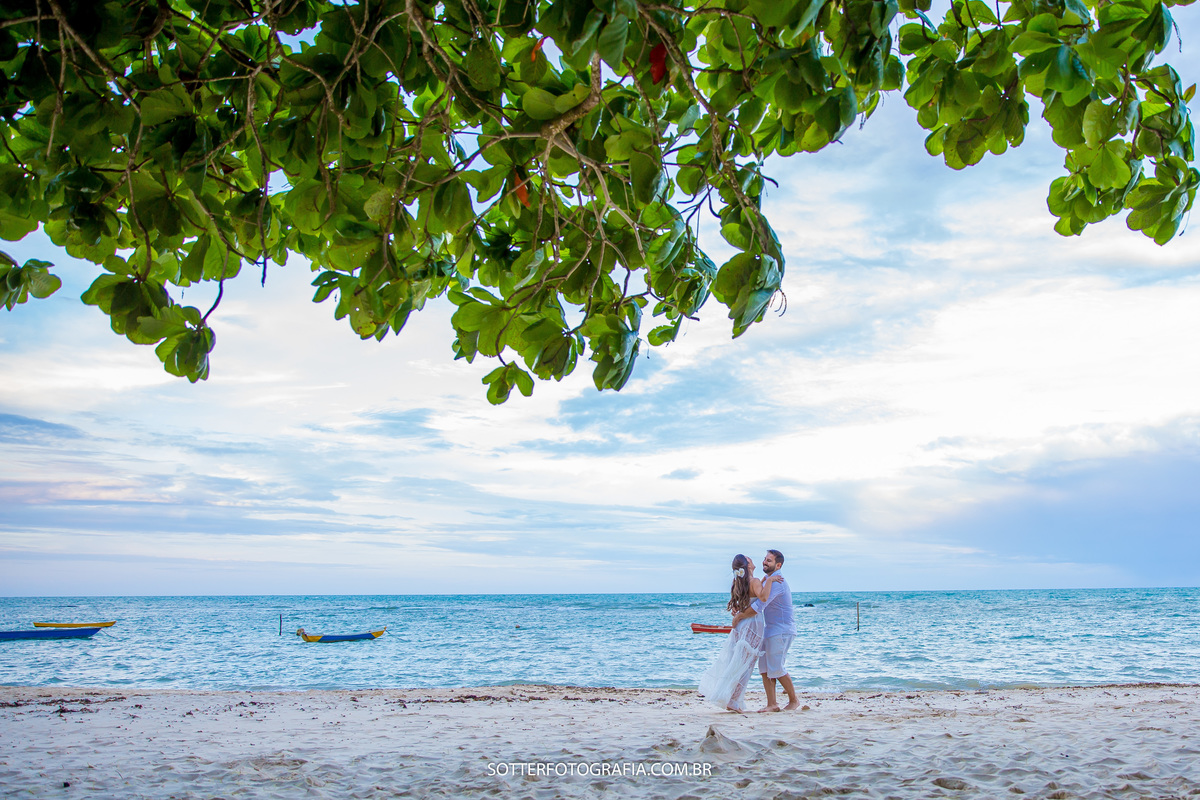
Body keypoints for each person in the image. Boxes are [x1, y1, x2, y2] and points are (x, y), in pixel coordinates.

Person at [698, 554, 780, 712]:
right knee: (746, 664)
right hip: (753, 624)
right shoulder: (754, 582)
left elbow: (747, 599)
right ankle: (734, 700)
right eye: (749, 559)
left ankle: (732, 698)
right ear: (747, 566)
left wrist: (763, 581)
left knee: (738, 660)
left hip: (741, 625)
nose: (753, 560)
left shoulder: (739, 583)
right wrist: (769, 580)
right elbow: (762, 597)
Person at [731, 549, 799, 712]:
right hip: (770, 629)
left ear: (778, 565)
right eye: (764, 559)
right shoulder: (768, 579)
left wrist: (739, 616)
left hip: (781, 630)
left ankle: (794, 700)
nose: (764, 562)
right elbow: (755, 596)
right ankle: (772, 704)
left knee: (777, 667)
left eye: (769, 560)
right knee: (765, 669)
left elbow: (759, 606)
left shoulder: (777, 581)